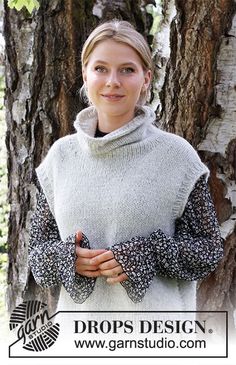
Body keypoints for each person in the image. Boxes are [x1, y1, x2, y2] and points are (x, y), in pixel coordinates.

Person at [28, 20, 223, 314]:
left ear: (146, 77)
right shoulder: (60, 158)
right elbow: (38, 256)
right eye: (101, 68)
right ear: (85, 74)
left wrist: (148, 252)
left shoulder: (176, 156)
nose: (112, 81)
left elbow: (208, 251)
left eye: (127, 70)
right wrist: (69, 258)